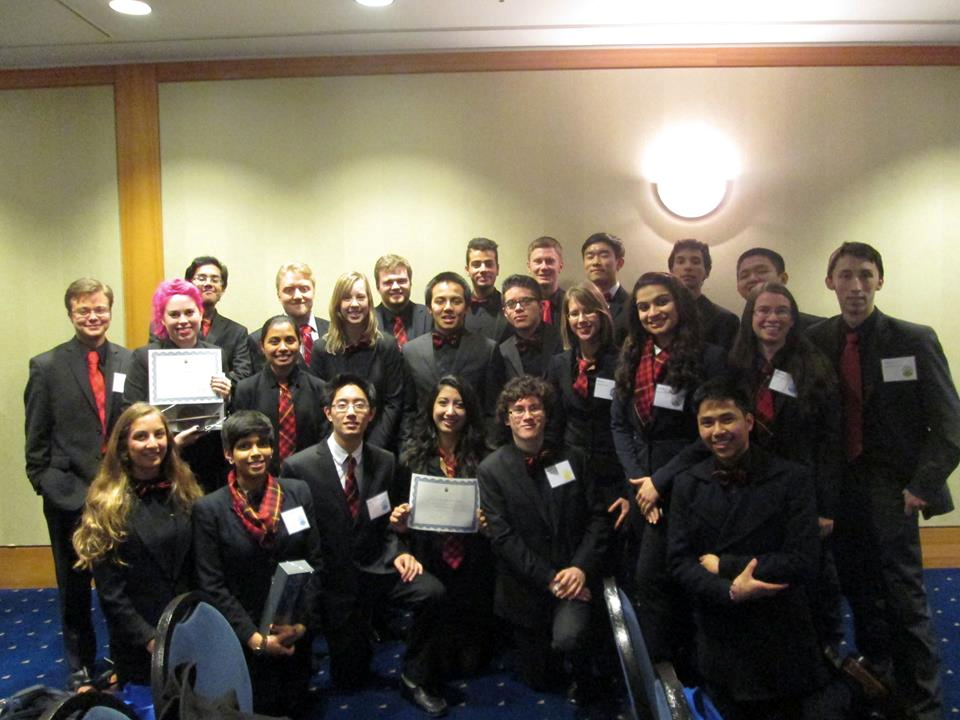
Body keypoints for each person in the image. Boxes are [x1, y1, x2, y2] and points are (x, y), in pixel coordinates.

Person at [808, 242, 960, 720]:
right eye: (846, 276)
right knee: (860, 595)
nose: (856, 286)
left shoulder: (913, 339)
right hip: (838, 491)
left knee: (904, 600)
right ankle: (882, 687)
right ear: (830, 282)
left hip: (894, 490)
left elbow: (950, 426)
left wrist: (922, 485)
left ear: (880, 281)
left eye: (866, 276)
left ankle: (924, 706)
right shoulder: (815, 341)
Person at [668, 377, 846, 720]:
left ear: (748, 421)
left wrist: (726, 566)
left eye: (727, 419)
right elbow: (679, 562)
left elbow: (803, 559)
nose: (718, 430)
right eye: (707, 422)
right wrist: (730, 591)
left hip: (781, 628)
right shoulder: (687, 484)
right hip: (718, 627)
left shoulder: (792, 479)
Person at [281, 375, 449, 717]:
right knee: (349, 679)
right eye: (342, 405)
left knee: (432, 592)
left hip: (379, 566)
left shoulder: (385, 461)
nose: (351, 412)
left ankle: (414, 676)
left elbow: (388, 520)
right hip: (334, 582)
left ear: (371, 414)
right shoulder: (298, 467)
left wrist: (401, 551)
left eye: (359, 405)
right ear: (329, 413)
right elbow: (295, 537)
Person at [610, 271, 725, 669]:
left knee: (666, 580)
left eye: (661, 302)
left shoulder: (709, 357)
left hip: (687, 486)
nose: (652, 312)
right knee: (650, 582)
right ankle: (665, 673)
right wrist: (639, 481)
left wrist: (659, 481)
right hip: (642, 487)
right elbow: (620, 425)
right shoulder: (630, 355)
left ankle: (682, 671)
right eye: (643, 306)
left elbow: (709, 434)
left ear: (679, 304)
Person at [24, 278, 132, 689]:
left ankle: (123, 658)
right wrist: (51, 487)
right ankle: (81, 666)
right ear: (71, 313)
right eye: (84, 310)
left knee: (119, 584)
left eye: (100, 309)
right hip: (68, 498)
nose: (93, 317)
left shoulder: (128, 361)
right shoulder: (47, 366)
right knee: (74, 589)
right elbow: (36, 445)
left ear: (110, 310)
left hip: (119, 495)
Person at [728, 282, 844, 652]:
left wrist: (826, 507)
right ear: (750, 318)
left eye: (781, 311)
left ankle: (821, 653)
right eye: (763, 311)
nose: (771, 318)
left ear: (793, 319)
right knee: (761, 572)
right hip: (751, 489)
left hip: (801, 491)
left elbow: (830, 443)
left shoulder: (814, 366)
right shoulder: (736, 368)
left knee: (810, 578)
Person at [478, 376, 610, 700]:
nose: (527, 415)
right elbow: (504, 538)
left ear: (546, 414)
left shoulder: (572, 458)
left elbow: (598, 518)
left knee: (569, 640)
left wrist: (579, 569)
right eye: (518, 409)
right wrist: (549, 579)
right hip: (527, 588)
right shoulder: (491, 470)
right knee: (539, 680)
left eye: (534, 408)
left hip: (574, 580)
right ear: (507, 418)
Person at [193, 410, 324, 717]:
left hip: (293, 632)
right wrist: (255, 639)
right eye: (244, 445)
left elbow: (315, 562)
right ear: (228, 454)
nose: (256, 453)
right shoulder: (210, 509)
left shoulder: (297, 492)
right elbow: (212, 584)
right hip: (244, 639)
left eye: (262, 443)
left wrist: (301, 624)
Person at [72, 403, 201, 687]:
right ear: (123, 445)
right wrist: (149, 639)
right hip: (140, 640)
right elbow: (111, 592)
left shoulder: (184, 488)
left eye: (159, 434)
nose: (153, 444)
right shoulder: (105, 504)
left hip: (188, 625)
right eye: (141, 436)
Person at [391, 376, 496, 676]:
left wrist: (488, 523)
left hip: (474, 560)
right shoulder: (410, 459)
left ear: (470, 411)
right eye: (443, 403)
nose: (450, 411)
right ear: (431, 408)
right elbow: (399, 521)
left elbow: (498, 514)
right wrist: (400, 522)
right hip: (429, 559)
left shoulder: (486, 459)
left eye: (459, 404)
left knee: (471, 666)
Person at [123, 279, 232, 492]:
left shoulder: (216, 355)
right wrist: (170, 443)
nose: (183, 320)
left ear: (200, 314)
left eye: (189, 312)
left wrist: (226, 396)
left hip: (209, 461)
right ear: (162, 320)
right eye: (174, 315)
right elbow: (130, 413)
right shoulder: (144, 358)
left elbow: (224, 414)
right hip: (160, 461)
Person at [547, 282, 624, 511]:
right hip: (567, 466)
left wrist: (628, 489)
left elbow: (629, 426)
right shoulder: (559, 364)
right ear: (567, 320)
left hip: (611, 473)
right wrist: (551, 476)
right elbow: (554, 423)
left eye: (588, 311)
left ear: (601, 313)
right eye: (574, 313)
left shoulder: (622, 362)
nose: (582, 319)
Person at [312, 271, 404, 451]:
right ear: (338, 304)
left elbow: (393, 402)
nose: (354, 304)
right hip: (335, 448)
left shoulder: (386, 345)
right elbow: (320, 404)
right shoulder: (322, 349)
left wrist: (371, 448)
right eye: (346, 298)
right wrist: (338, 446)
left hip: (380, 446)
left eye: (360, 297)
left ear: (369, 301)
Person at [401, 272, 496, 443]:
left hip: (473, 450)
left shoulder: (487, 350)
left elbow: (492, 410)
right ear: (429, 308)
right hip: (423, 450)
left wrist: (488, 452)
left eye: (456, 301)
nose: (448, 307)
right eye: (440, 301)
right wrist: (408, 450)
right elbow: (409, 411)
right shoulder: (411, 351)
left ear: (467, 307)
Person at [233, 315, 329, 475]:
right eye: (274, 341)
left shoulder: (319, 388)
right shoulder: (246, 389)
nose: (283, 348)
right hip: (261, 478)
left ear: (299, 343)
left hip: (309, 478)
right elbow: (241, 440)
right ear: (262, 347)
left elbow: (323, 441)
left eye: (290, 340)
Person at [248, 262, 331, 373]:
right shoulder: (258, 340)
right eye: (289, 290)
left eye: (304, 289)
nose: (297, 296)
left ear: (314, 291)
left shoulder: (335, 332)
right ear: (279, 295)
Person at [489, 274, 563, 394]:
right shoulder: (501, 350)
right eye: (511, 304)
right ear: (505, 313)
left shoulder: (560, 339)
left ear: (541, 306)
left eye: (526, 301)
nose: (518, 308)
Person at [183, 255, 254, 381]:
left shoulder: (237, 332)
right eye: (201, 278)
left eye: (215, 280)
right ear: (188, 284)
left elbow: (243, 375)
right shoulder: (169, 326)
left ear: (223, 289)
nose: (208, 284)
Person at [668, 238, 739, 350]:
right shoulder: (660, 314)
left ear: (707, 271)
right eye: (680, 261)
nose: (688, 267)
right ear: (671, 271)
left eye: (695, 262)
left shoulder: (725, 320)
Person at [735, 247, 824, 330]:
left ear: (783, 278)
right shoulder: (733, 330)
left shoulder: (818, 329)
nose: (752, 278)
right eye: (744, 276)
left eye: (762, 271)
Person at [373, 254, 432, 349]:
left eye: (401, 281)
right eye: (388, 282)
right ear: (378, 287)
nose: (395, 287)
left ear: (410, 283)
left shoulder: (429, 315)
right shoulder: (368, 321)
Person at [463, 237, 507, 341]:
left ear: (497, 269)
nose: (483, 269)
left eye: (489, 264)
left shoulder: (509, 306)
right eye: (476, 265)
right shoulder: (459, 308)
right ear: (467, 270)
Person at [581, 232, 629, 322]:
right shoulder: (576, 304)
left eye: (604, 256)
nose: (595, 262)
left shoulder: (632, 305)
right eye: (590, 257)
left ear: (619, 263)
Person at [527, 236, 565, 329]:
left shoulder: (571, 304)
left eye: (550, 261)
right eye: (538, 261)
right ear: (529, 267)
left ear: (560, 266)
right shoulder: (520, 307)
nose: (544, 267)